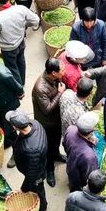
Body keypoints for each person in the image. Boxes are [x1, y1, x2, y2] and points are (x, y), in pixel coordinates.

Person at [0, 0, 40, 84]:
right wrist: (26, 25)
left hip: (8, 48)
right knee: (21, 61)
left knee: (12, 67)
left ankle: (19, 87)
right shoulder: (20, 9)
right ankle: (22, 82)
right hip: (21, 42)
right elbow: (36, 20)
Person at [6, 110, 49, 211]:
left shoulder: (31, 150)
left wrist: (23, 189)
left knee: (38, 191)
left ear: (15, 127)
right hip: (38, 164)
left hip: (37, 174)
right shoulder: (35, 124)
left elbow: (32, 175)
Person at [32, 58, 66, 187]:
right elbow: (47, 109)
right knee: (47, 146)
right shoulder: (41, 88)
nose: (64, 72)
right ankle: (49, 168)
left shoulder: (54, 78)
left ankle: (56, 154)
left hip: (56, 119)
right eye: (62, 70)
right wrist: (59, 93)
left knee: (56, 140)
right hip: (46, 122)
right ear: (53, 73)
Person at [64, 112, 100, 193]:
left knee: (72, 184)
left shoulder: (70, 129)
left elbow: (64, 144)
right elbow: (89, 177)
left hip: (70, 167)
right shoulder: (89, 156)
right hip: (79, 180)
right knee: (77, 191)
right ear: (91, 131)